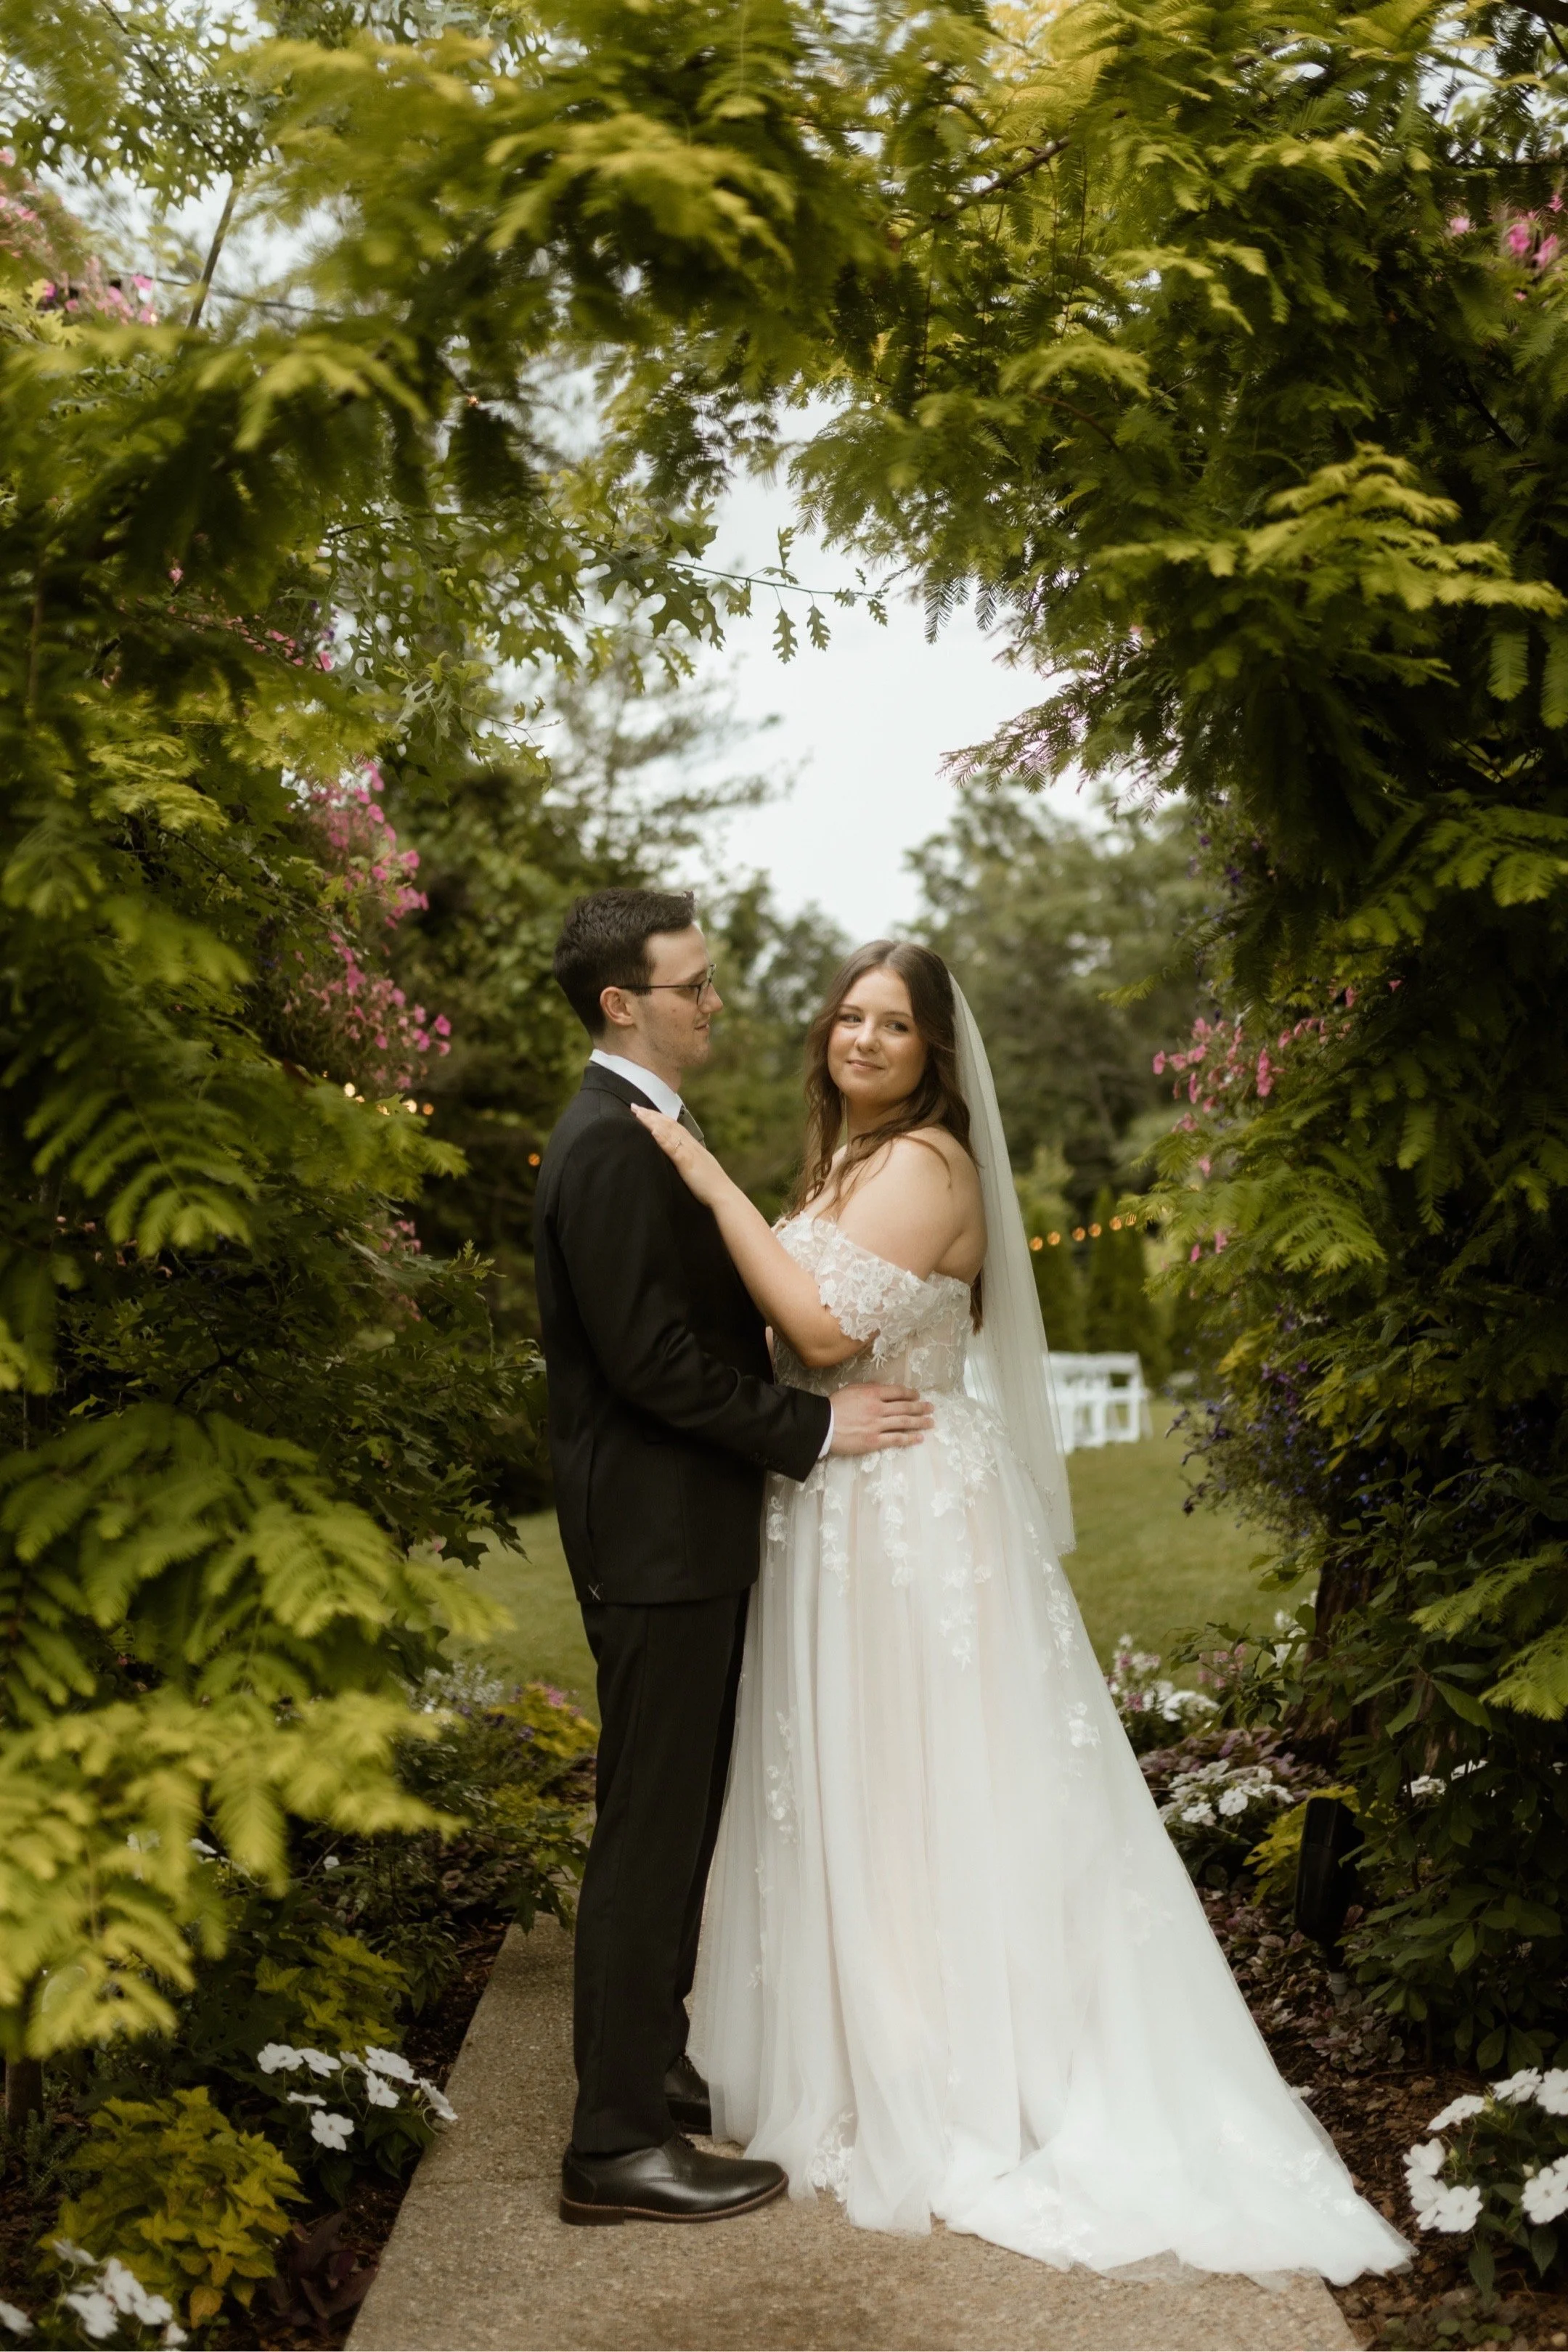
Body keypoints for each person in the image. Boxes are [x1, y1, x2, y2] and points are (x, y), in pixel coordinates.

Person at [630, 937, 1413, 2282]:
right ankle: (886, 2038)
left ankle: (960, 2061)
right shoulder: (849, 1162)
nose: (863, 1039)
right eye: (849, 1017)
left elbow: (818, 1331)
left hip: (910, 1518)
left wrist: (703, 1180)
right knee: (867, 1786)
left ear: (936, 1053)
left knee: (933, 1784)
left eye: (893, 1025)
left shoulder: (927, 1164)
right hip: (847, 1499)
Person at [533, 889, 935, 2227]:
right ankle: (613, 2148)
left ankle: (649, 2069)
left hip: (687, 1527)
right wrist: (813, 1428)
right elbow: (652, 1366)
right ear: (622, 1003)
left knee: (682, 1813)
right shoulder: (605, 1144)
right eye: (692, 984)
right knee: (649, 1831)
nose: (715, 1001)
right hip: (653, 1535)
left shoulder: (654, 1127)